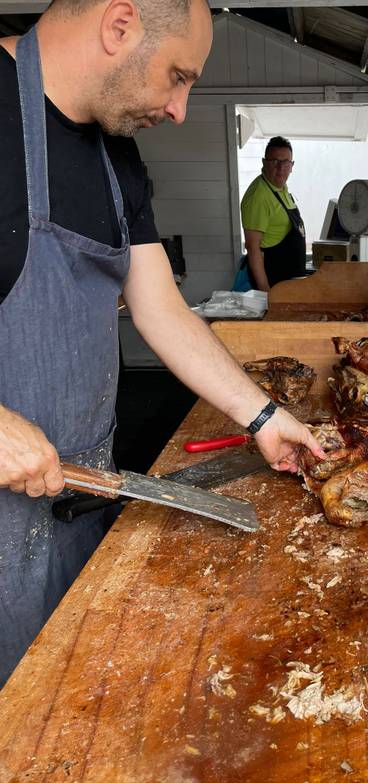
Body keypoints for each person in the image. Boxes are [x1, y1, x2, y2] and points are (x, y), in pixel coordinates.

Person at [0, 0, 324, 687]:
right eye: (178, 76)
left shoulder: (116, 153)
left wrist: (264, 416)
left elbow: (162, 309)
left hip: (83, 499)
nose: (179, 108)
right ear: (119, 26)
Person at [240, 136, 306, 291]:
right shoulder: (259, 196)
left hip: (289, 280)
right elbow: (252, 247)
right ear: (264, 163)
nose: (281, 167)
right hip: (274, 282)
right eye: (275, 161)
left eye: (285, 162)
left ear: (292, 165)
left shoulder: (281, 188)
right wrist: (265, 291)